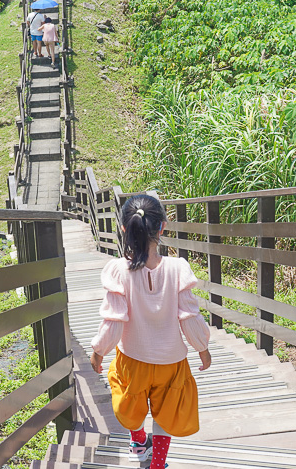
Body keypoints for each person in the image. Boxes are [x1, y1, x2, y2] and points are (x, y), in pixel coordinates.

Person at [90, 194, 211, 468]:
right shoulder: (178, 268)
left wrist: (98, 352)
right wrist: (202, 348)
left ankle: (138, 438)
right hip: (172, 362)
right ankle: (157, 464)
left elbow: (114, 321)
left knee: (130, 404)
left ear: (124, 229)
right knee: (165, 412)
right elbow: (189, 317)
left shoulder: (119, 271)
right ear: (163, 227)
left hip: (133, 360)